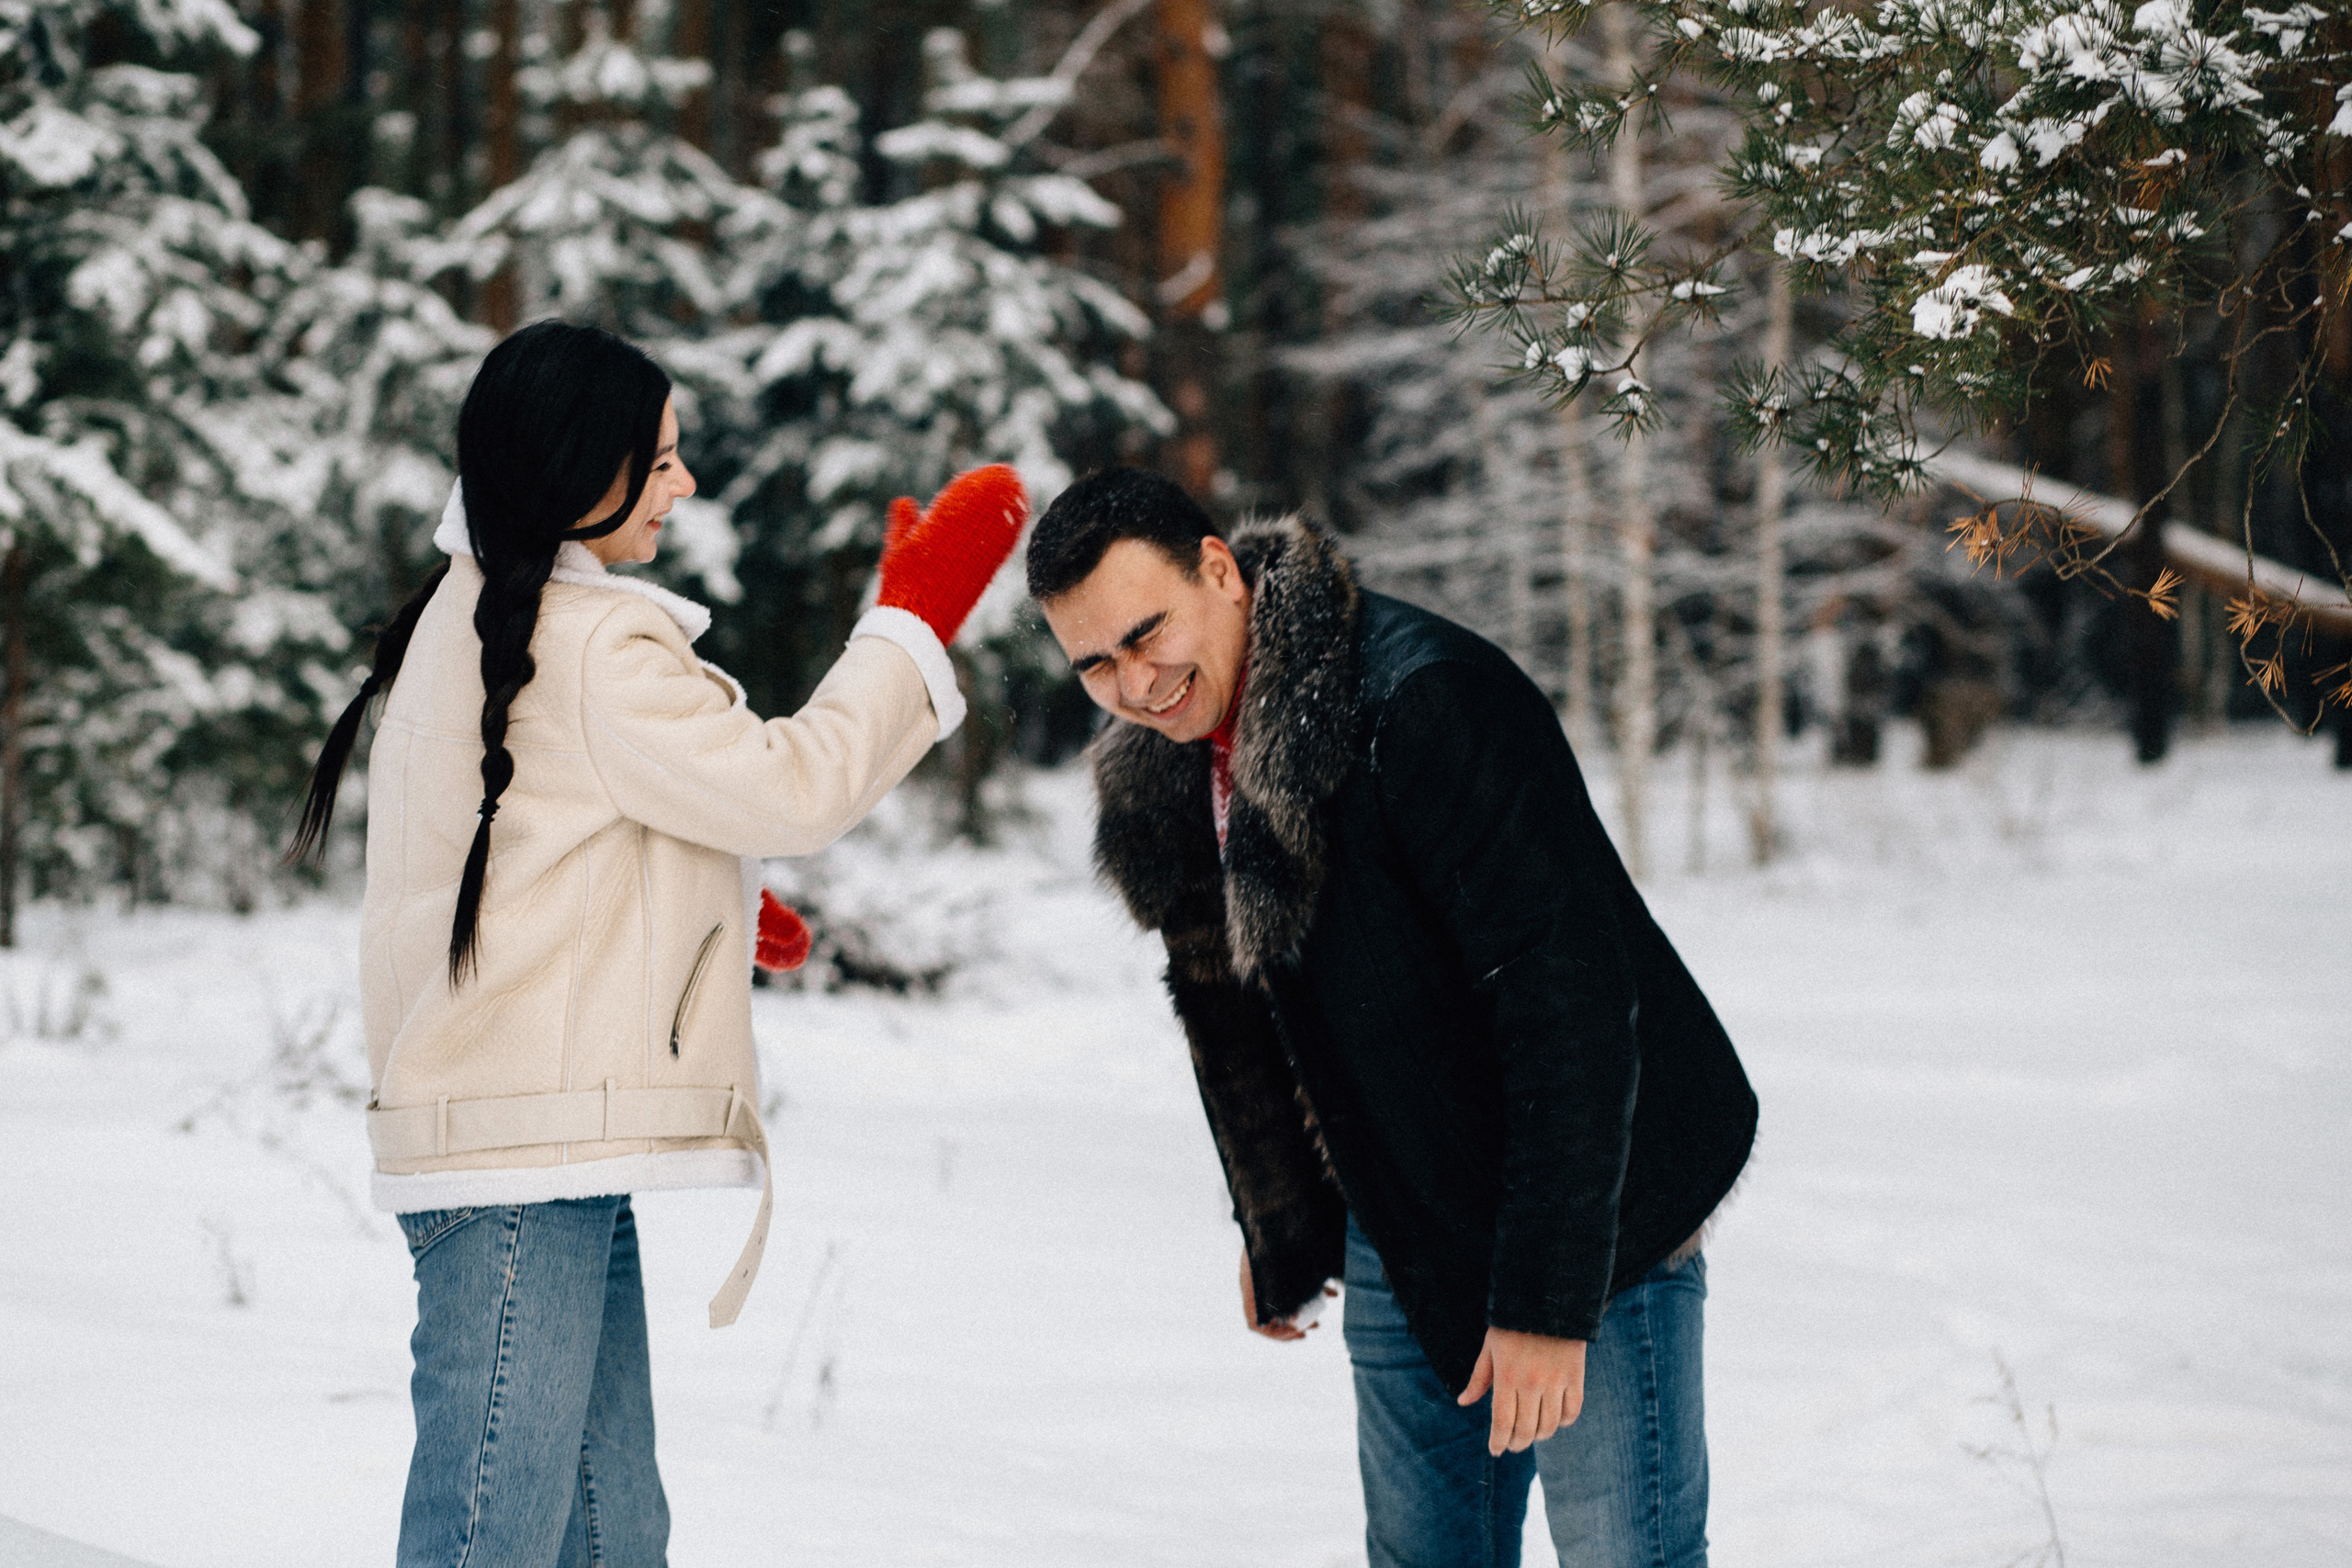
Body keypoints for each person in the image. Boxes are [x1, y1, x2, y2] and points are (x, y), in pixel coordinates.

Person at [287, 320, 1025, 1566]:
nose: (684, 485)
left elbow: (534, 832)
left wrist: (707, 889)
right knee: (494, 1537)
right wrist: (907, 621)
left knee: (609, 1530)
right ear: (583, 468)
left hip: (537, 1142)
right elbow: (797, 783)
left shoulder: (473, 610)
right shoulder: (591, 640)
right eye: (663, 458)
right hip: (518, 1156)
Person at [1027, 468, 1758, 1568]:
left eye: (1146, 632)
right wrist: (1279, 1217)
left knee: (1627, 1554)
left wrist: (1549, 1302)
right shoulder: (1169, 773)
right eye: (1095, 662)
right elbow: (1233, 1007)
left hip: (1592, 1203)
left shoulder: (1423, 701)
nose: (1136, 682)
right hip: (1404, 1210)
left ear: (1219, 571)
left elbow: (1568, 998)